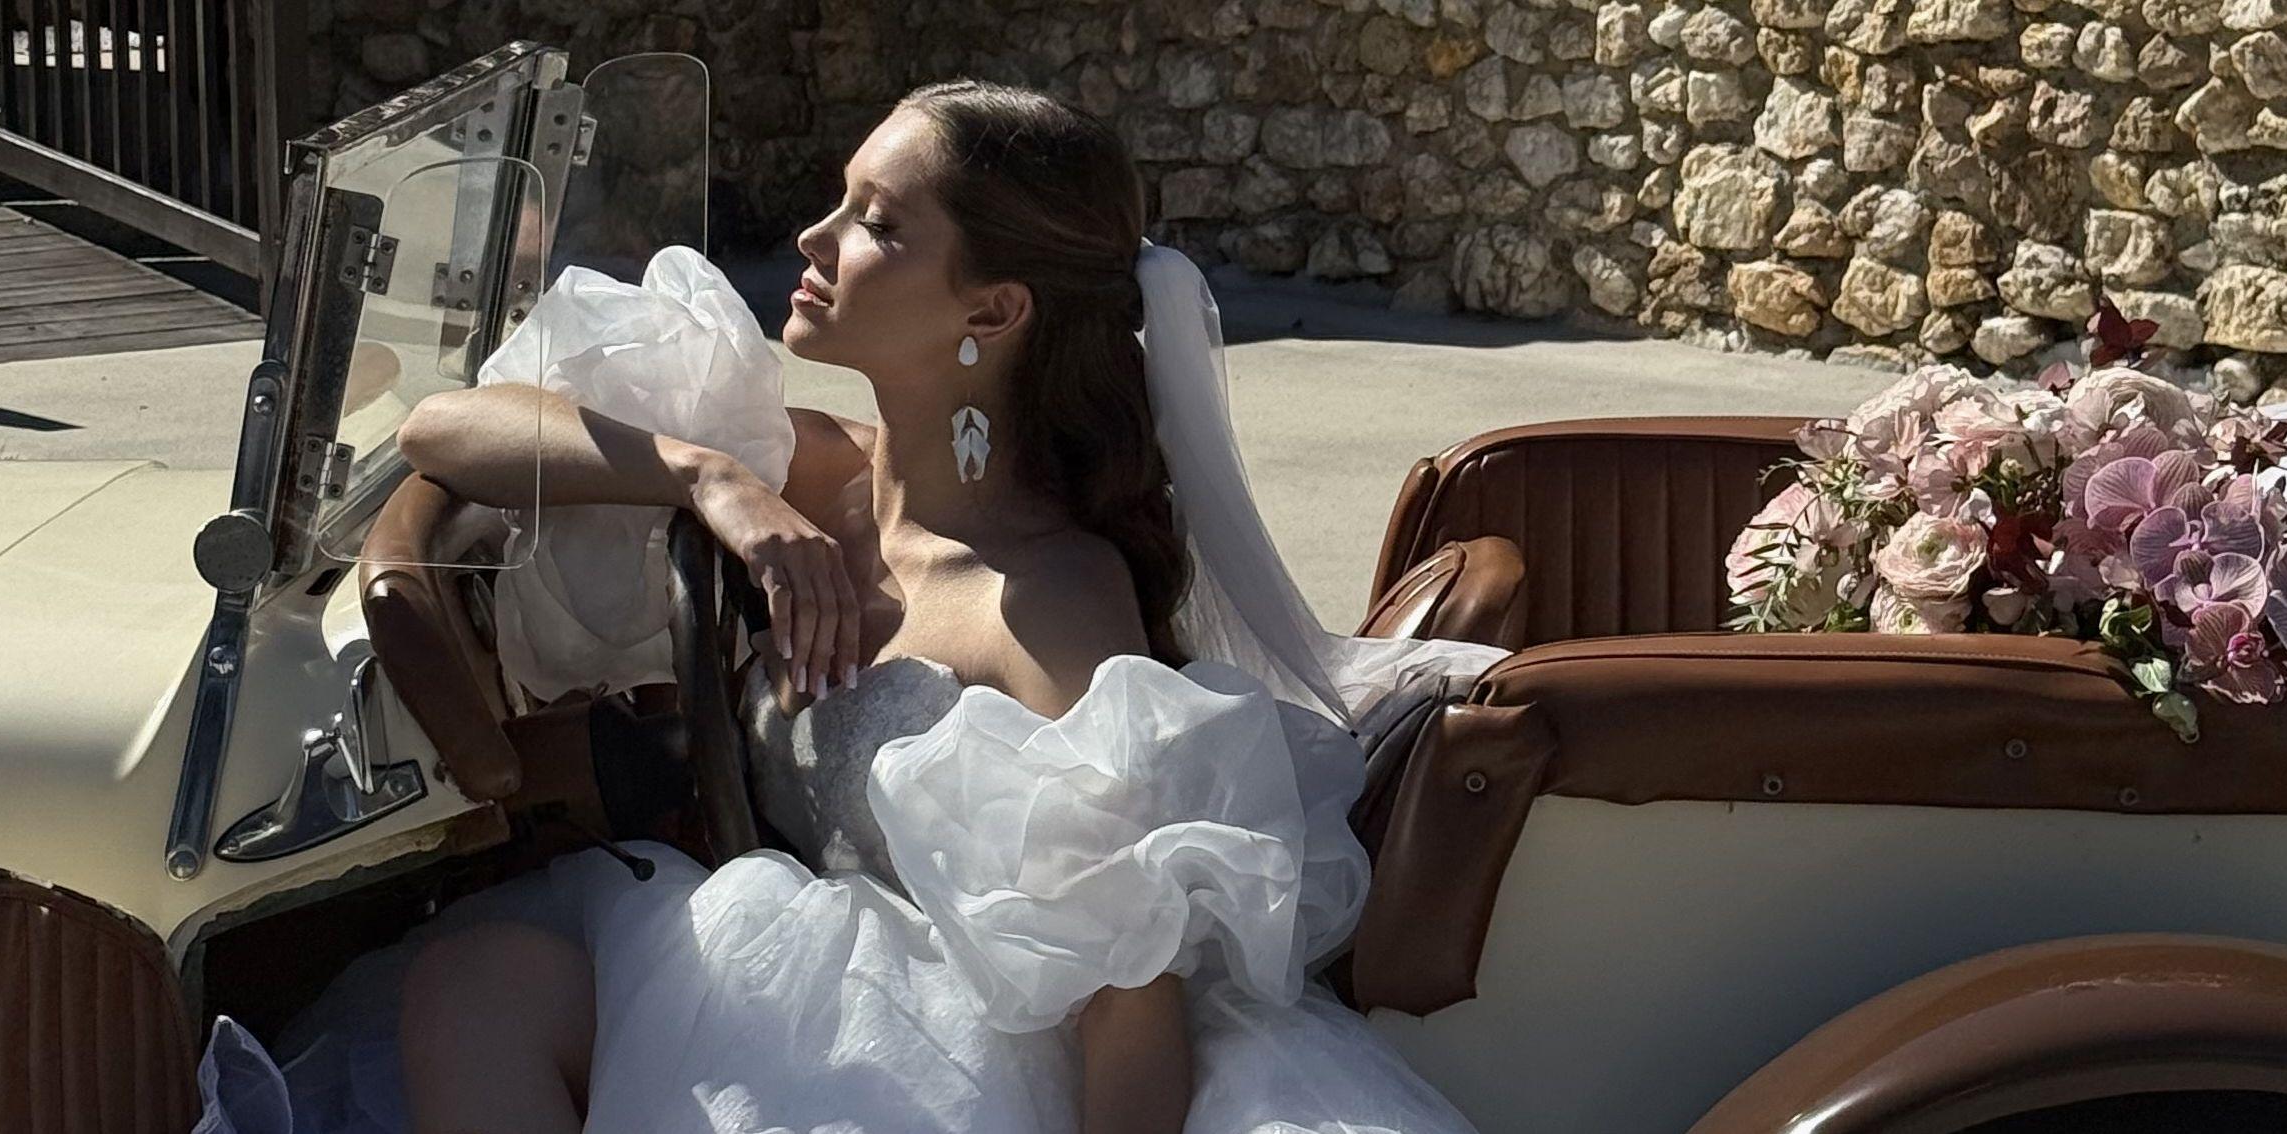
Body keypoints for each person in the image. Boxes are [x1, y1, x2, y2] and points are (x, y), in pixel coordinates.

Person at [270, 79, 1504, 1134]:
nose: (811, 238)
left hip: (943, 1054)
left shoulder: (1049, 602)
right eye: (839, 199)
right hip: (787, 963)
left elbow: (1128, 994)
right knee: (470, 988)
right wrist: (709, 479)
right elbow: (444, 432)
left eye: (875, 224)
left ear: (992, 312)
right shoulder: (807, 469)